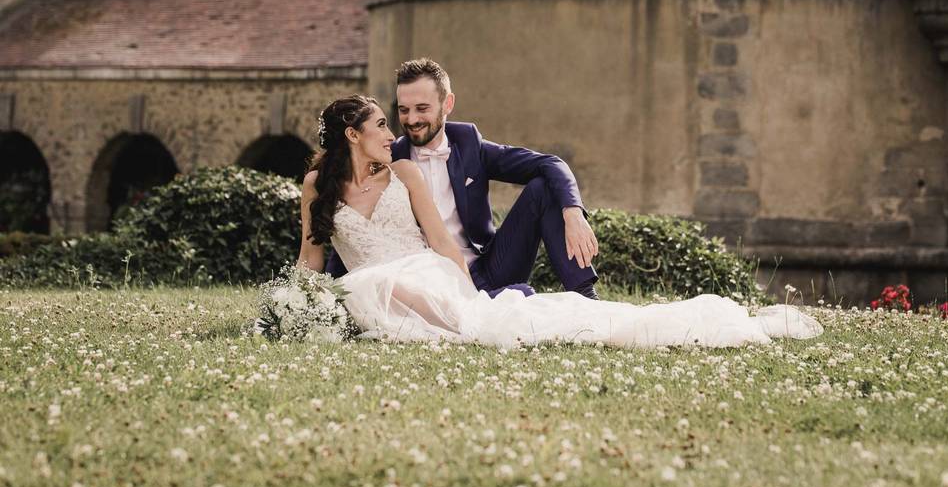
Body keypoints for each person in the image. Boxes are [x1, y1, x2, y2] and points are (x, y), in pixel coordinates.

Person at [297, 94, 823, 348]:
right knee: (367, 288)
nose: (399, 128)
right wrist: (295, 302)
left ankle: (558, 305)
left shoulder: (413, 168)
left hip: (437, 273)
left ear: (444, 103)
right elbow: (310, 256)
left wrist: (465, 292)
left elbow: (440, 241)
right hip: (368, 283)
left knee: (542, 195)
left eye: (411, 113)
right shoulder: (318, 187)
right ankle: (468, 320)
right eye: (388, 120)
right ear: (350, 134)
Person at [326, 58, 600, 299]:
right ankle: (499, 302)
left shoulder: (469, 144)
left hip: (490, 267)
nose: (411, 119)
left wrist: (572, 211)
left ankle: (585, 295)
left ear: (448, 104)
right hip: (426, 284)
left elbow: (550, 163)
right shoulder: (389, 157)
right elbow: (358, 222)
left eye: (422, 108)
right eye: (404, 109)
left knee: (544, 187)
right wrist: (330, 295)